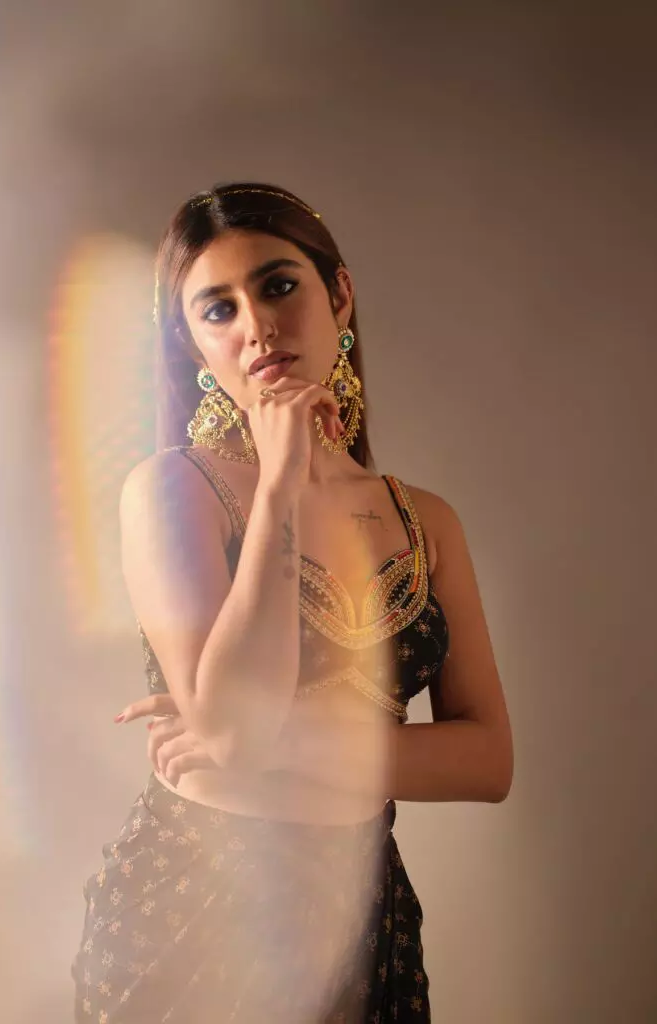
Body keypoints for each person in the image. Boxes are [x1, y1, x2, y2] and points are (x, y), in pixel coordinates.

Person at [72, 183, 513, 1022]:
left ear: (337, 295)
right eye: (218, 309)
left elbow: (487, 761)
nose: (257, 327)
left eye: (277, 286)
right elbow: (235, 729)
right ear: (193, 345)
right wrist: (277, 484)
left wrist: (283, 741)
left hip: (364, 913)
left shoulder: (426, 520)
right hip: (200, 910)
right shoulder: (173, 491)